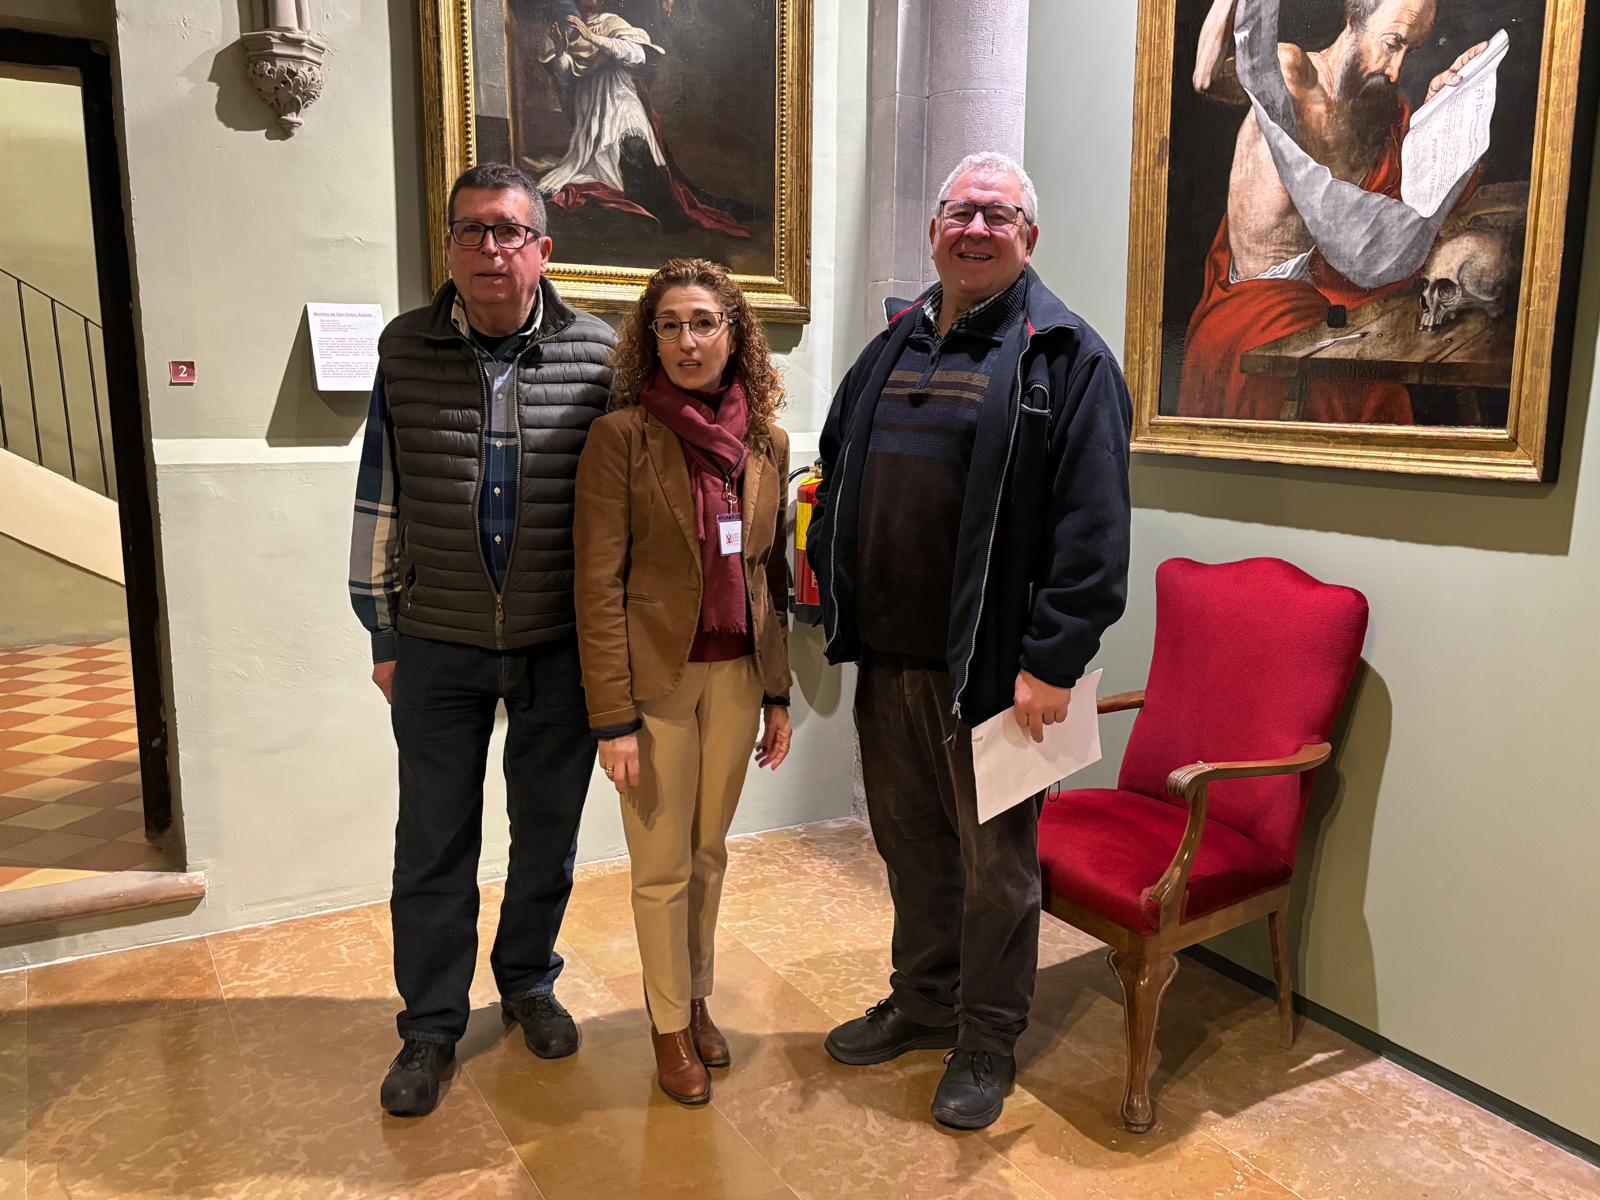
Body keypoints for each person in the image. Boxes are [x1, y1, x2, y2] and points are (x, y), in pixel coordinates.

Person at [810, 151, 1132, 1130]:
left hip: (999, 674)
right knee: (910, 847)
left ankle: (985, 1038)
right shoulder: (895, 342)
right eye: (962, 212)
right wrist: (831, 575)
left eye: (999, 216)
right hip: (894, 660)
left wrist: (1052, 660)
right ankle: (921, 1001)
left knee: (998, 867)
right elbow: (836, 462)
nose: (977, 229)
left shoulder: (1064, 357)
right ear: (934, 230)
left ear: (1028, 237)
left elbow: (1093, 527)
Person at [348, 161, 616, 1117]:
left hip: (558, 646)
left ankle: (528, 980)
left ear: (544, 249)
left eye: (509, 231)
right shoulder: (403, 348)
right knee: (432, 842)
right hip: (436, 641)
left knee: (545, 834)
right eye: (472, 232)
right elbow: (378, 494)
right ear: (450, 248)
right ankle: (428, 1024)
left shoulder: (599, 354)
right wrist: (381, 628)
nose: (491, 249)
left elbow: (618, 512)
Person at [573, 257, 792, 1105]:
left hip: (736, 678)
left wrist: (777, 695)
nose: (686, 341)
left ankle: (695, 994)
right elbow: (597, 586)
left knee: (708, 856)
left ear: (734, 335)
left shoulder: (766, 443)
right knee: (659, 865)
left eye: (703, 322)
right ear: (648, 338)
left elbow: (767, 570)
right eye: (668, 325)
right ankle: (667, 1026)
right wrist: (612, 719)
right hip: (656, 687)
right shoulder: (622, 438)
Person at [1180, 0, 1490, 422]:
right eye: (1392, 44)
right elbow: (1206, 78)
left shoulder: (1377, 113)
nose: (1396, 69)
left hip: (1321, 297)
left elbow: (1413, 206)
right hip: (1255, 308)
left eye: (1409, 52)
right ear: (1355, 20)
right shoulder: (1291, 72)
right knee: (1364, 391)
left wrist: (1441, 110)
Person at [536, 0, 751, 237]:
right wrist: (560, 51)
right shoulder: (567, 32)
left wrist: (592, 37)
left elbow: (636, 55)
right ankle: (632, 220)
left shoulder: (612, 22)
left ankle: (666, 218)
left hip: (621, 99)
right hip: (592, 108)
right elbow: (567, 78)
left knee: (636, 152)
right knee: (597, 171)